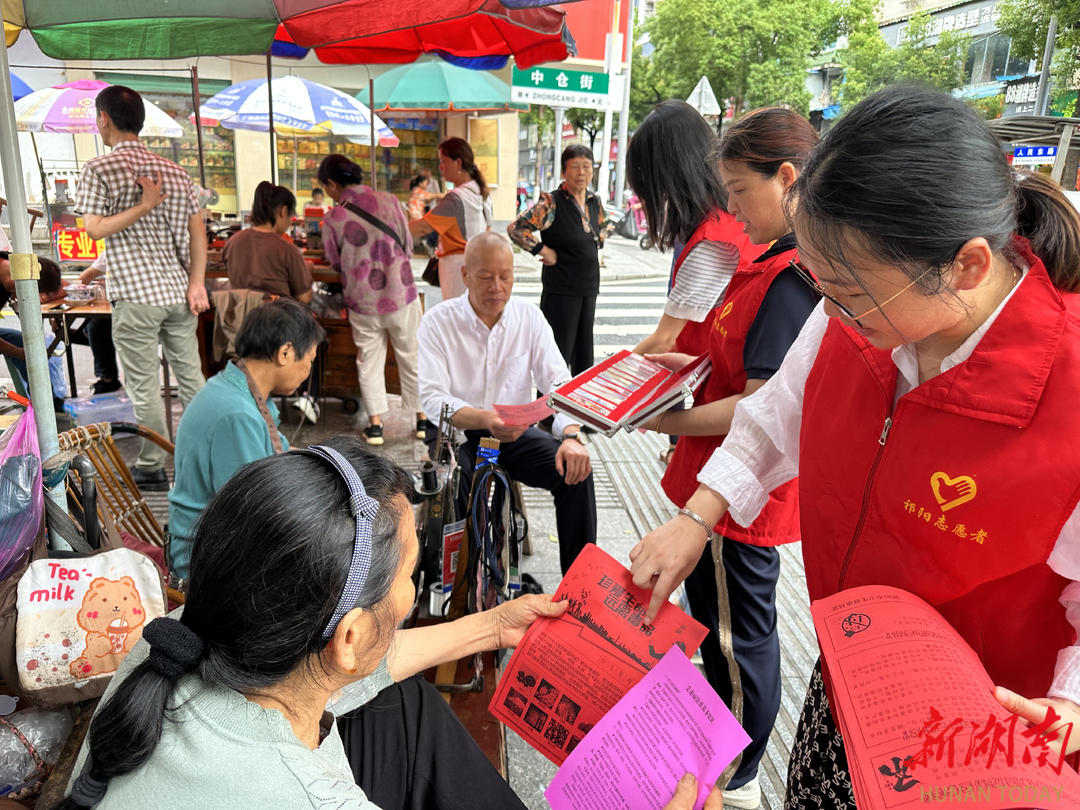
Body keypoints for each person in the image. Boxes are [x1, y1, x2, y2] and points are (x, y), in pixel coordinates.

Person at [631, 85, 1080, 808]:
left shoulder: (1068, 383)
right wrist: (698, 516)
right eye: (823, 287)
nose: (832, 314)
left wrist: (1073, 705)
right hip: (853, 672)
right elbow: (775, 414)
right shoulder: (856, 314)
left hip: (983, 730)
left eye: (851, 293)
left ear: (966, 266)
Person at [61, 435, 570, 810]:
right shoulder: (320, 802)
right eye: (410, 575)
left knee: (404, 705)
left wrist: (492, 626)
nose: (413, 590)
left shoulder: (177, 641)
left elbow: (366, 659)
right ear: (347, 638)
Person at [629, 107, 820, 810]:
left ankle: (735, 779)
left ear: (788, 179)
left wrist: (667, 415)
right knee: (725, 632)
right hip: (719, 483)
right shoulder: (761, 256)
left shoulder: (791, 277)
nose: (733, 206)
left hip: (738, 498)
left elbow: (761, 405)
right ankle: (722, 757)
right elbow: (709, 351)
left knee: (739, 641)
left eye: (740, 189)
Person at [417, 232, 596, 575]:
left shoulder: (528, 318)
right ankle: (464, 585)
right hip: (459, 434)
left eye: (506, 277)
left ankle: (579, 586)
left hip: (512, 436)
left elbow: (558, 384)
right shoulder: (438, 323)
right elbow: (433, 398)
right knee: (456, 485)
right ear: (466, 275)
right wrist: (485, 418)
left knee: (577, 473)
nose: (496, 287)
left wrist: (572, 436)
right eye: (485, 277)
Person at [75, 84, 209, 493]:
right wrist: (197, 283)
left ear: (104, 119)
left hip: (135, 296)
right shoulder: (175, 172)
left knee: (145, 385)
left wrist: (143, 206)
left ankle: (152, 465)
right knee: (191, 379)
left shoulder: (99, 169)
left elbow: (94, 228)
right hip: (178, 293)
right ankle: (205, 452)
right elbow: (197, 233)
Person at [626, 101, 757, 466]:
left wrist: (604, 389)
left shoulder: (715, 240)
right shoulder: (727, 224)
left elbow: (664, 337)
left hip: (724, 402)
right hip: (721, 384)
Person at [167, 299, 324, 580]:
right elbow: (256, 511)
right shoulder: (236, 414)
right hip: (207, 564)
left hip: (224, 541)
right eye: (310, 359)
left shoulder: (235, 389)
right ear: (285, 353)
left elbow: (283, 452)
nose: (308, 370)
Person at [319, 155, 427, 447]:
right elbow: (406, 244)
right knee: (411, 354)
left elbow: (334, 260)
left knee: (369, 361)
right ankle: (421, 420)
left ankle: (376, 426)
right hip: (400, 293)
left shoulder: (333, 217)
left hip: (362, 301)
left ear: (331, 184)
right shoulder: (390, 201)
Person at [508, 145, 613, 378]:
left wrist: (598, 241)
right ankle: (547, 413)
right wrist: (543, 250)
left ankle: (579, 410)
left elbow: (606, 226)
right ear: (564, 171)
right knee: (556, 356)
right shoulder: (551, 203)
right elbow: (517, 228)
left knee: (584, 356)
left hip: (588, 287)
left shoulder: (593, 202)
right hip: (562, 289)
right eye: (575, 166)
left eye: (587, 166)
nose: (581, 172)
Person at [408, 138, 492, 300]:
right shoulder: (481, 192)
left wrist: (388, 230)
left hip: (457, 268)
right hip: (477, 264)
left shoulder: (456, 198)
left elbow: (422, 227)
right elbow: (488, 228)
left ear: (458, 163)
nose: (440, 167)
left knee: (456, 319)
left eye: (443, 161)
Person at [225, 182, 313, 304]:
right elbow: (304, 297)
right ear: (284, 211)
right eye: (290, 216)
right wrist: (307, 274)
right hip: (277, 319)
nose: (289, 223)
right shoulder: (287, 250)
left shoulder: (232, 243)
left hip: (241, 319)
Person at [0, 253, 69, 409]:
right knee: (24, 350)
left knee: (21, 342)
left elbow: (66, 286)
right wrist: (20, 353)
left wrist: (45, 297)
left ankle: (46, 402)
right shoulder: (18, 275)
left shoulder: (20, 265)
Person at [66, 253, 123, 396]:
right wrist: (72, 293)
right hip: (119, 313)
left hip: (146, 314)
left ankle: (108, 379)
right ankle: (108, 380)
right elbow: (88, 275)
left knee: (95, 327)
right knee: (95, 325)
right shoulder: (112, 249)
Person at [407, 176, 441, 257]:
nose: (426, 186)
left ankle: (429, 245)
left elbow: (429, 198)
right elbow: (434, 195)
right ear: (420, 184)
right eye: (426, 184)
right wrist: (447, 195)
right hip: (416, 218)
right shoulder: (419, 191)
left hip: (415, 217)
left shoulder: (415, 191)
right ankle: (430, 246)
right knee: (433, 226)